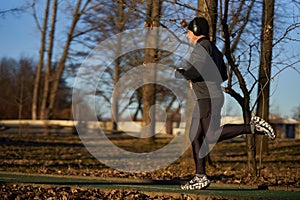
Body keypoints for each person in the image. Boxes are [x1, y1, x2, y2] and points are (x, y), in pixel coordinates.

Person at [175, 17, 275, 190]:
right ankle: (200, 177)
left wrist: (182, 73)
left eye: (189, 31)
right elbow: (222, 75)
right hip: (209, 96)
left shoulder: (201, 48)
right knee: (195, 136)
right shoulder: (214, 49)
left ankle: (252, 127)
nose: (187, 34)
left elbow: (195, 71)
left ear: (196, 30)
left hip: (208, 98)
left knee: (211, 135)